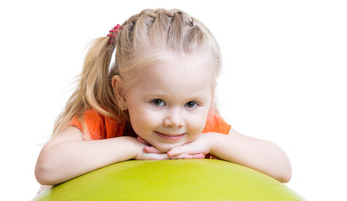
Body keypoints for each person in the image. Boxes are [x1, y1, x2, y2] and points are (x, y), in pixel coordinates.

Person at [35, 8, 291, 189]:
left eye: (192, 104)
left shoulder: (206, 133)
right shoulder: (104, 121)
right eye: (158, 102)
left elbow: (282, 168)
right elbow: (47, 168)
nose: (175, 121)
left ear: (209, 96)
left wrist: (213, 142)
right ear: (122, 93)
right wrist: (131, 147)